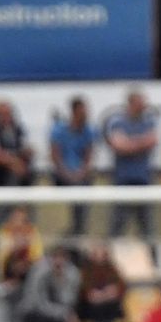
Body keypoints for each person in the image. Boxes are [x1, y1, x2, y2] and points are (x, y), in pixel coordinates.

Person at [105, 89, 159, 239]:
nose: (143, 106)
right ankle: (110, 259)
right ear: (131, 103)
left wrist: (130, 143)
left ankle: (153, 259)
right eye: (139, 103)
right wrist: (140, 143)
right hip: (122, 180)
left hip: (143, 180)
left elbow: (153, 140)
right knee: (117, 224)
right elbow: (119, 145)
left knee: (148, 225)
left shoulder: (149, 121)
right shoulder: (118, 122)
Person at [0, 100, 34, 233]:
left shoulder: (19, 129)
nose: (5, 117)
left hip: (22, 185)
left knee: (25, 221)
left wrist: (18, 159)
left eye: (8, 114)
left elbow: (29, 149)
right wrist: (14, 162)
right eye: (2, 114)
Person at [50, 98, 96, 235]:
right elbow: (55, 156)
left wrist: (81, 173)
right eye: (82, 111)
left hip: (81, 176)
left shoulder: (88, 131)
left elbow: (88, 157)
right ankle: (74, 231)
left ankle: (79, 230)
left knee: (83, 194)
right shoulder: (59, 130)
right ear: (74, 111)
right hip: (62, 175)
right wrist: (68, 175)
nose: (85, 114)